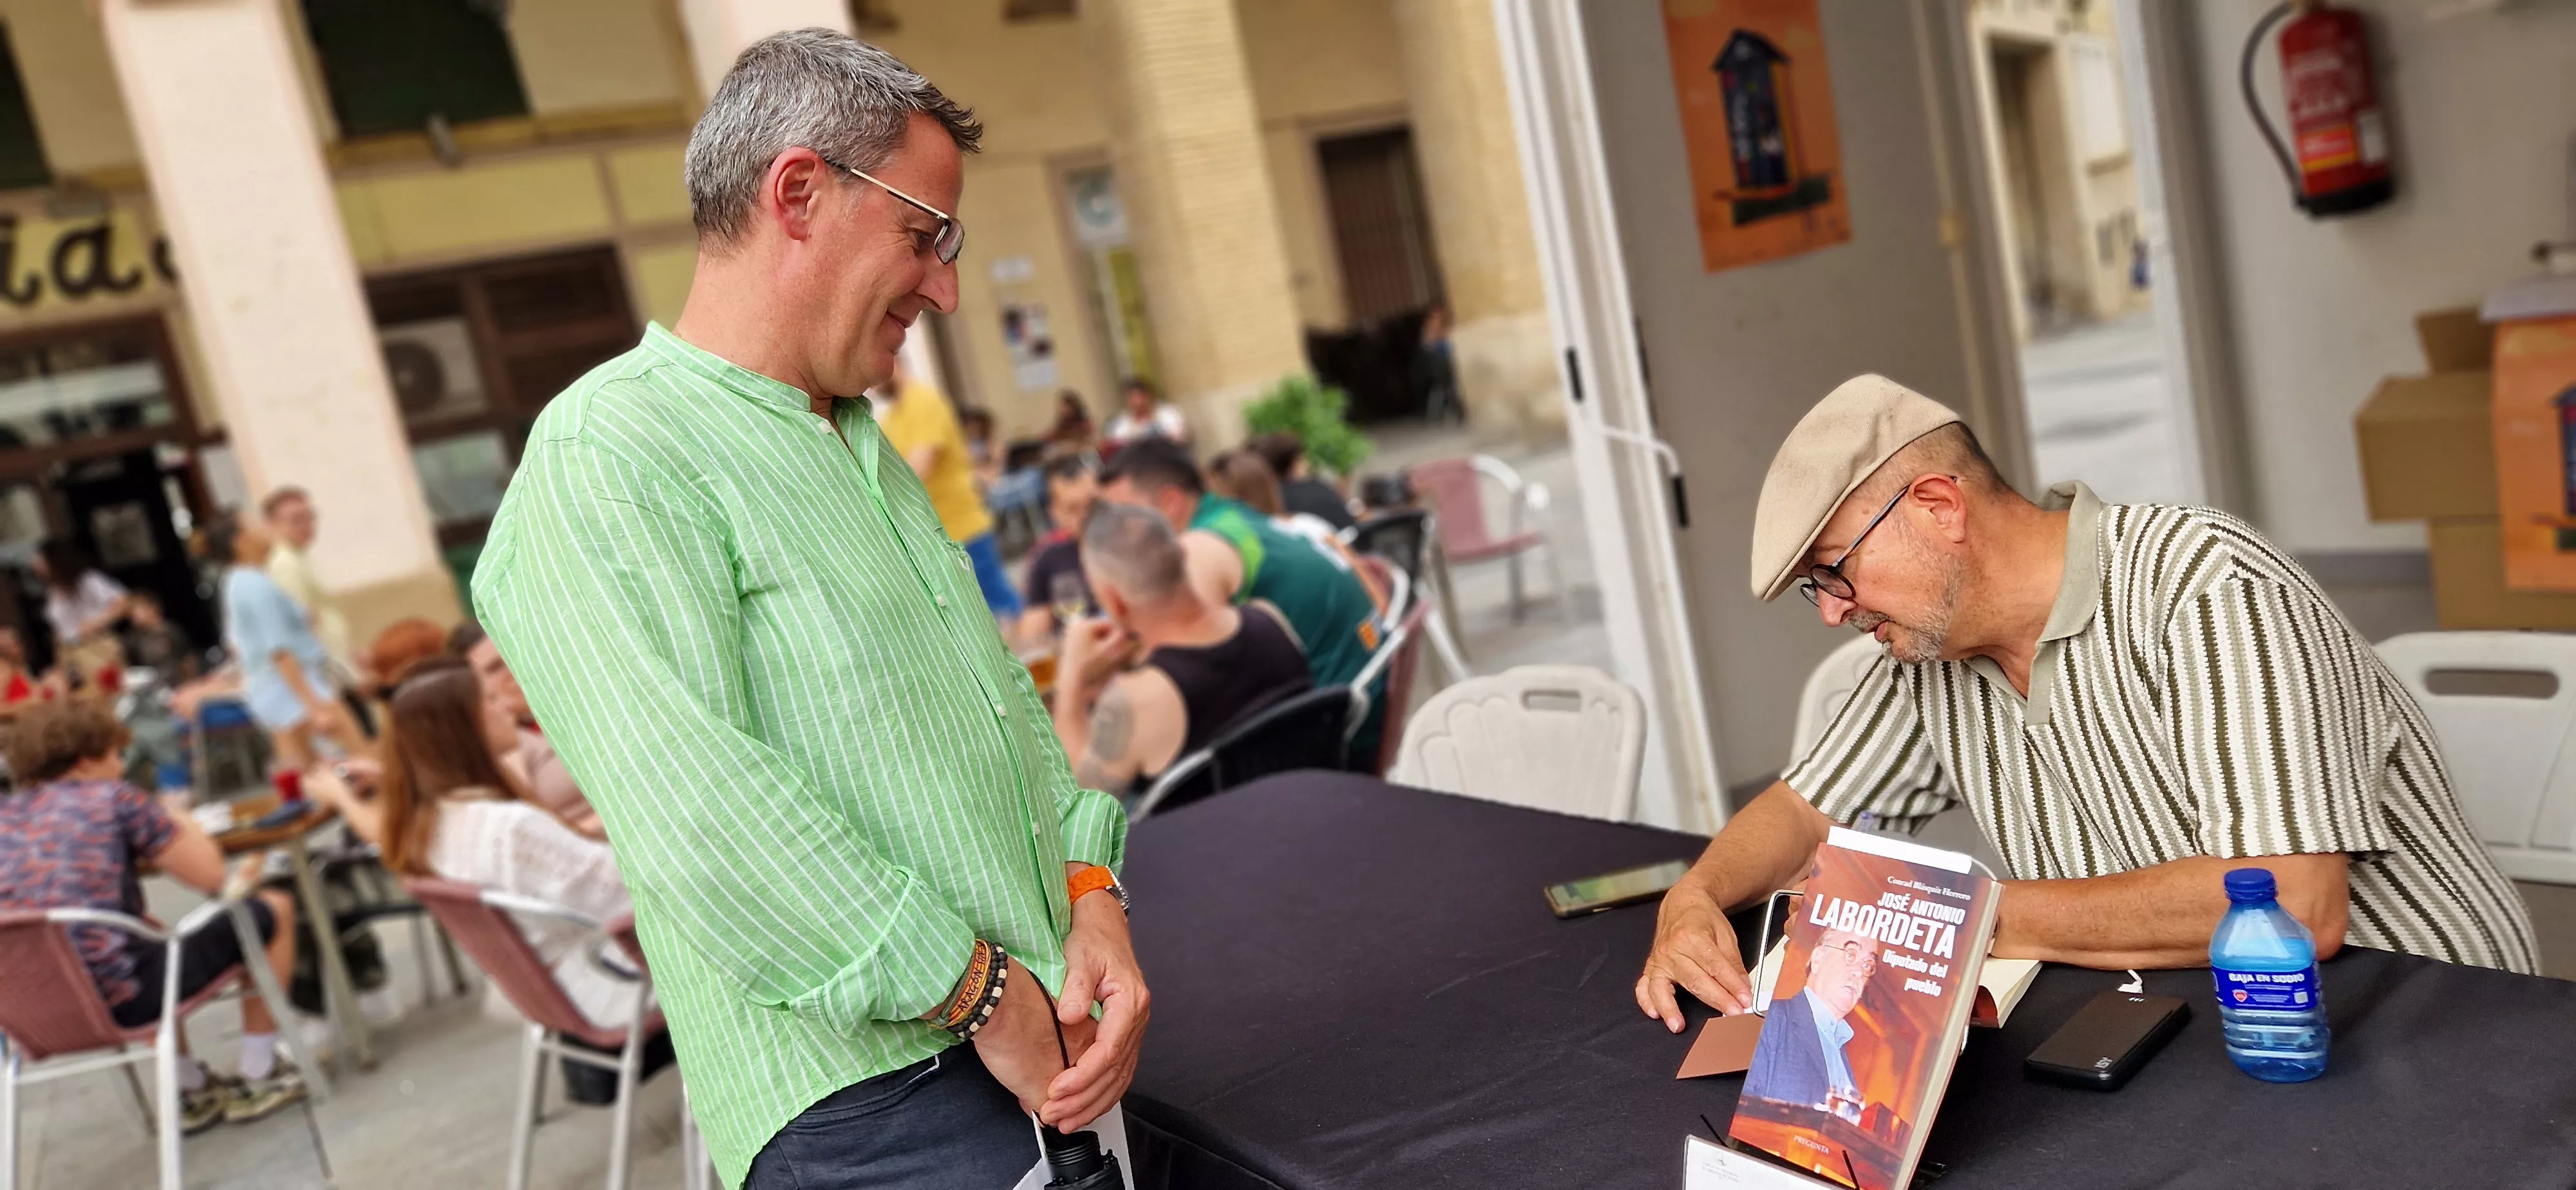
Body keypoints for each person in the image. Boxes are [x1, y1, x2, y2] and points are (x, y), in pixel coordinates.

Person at [469, 32, 1145, 1189]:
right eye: (926, 236)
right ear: (799, 192)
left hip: (1012, 1049)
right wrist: (979, 987)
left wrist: (1095, 895)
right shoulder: (610, 448)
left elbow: (1002, 718)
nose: (945, 284)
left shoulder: (848, 436)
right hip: (869, 1104)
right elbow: (701, 812)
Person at [1635, 375, 2539, 1035]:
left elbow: (2298, 906)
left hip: (2435, 1013)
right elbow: (1801, 808)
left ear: (1940, 505)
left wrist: (1966, 918)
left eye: (1836, 570)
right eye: (1814, 590)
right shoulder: (1930, 657)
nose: (1834, 611)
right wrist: (1695, 897)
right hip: (2184, 1023)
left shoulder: (2204, 588)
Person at [309, 662, 656, 1102]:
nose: (505, 704)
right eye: (490, 699)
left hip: (564, 993)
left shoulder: (436, 825)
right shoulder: (507, 827)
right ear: (465, 727)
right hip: (619, 985)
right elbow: (634, 899)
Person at [0, 699, 306, 1129]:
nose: (122, 766)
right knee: (274, 907)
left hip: (34, 1017)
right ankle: (261, 1073)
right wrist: (181, 820)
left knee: (144, 933)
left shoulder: (6, 815)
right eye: (115, 754)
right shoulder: (114, 797)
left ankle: (190, 1090)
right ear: (87, 761)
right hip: (124, 1001)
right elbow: (211, 876)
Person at [1052, 502, 1311, 795]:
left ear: (1114, 601)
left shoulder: (1138, 700)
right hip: (1308, 808)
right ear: (1183, 557)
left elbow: (1079, 803)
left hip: (1220, 836)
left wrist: (1071, 674)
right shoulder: (1271, 618)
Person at [208, 513, 363, 769]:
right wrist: (314, 706)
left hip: (278, 689)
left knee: (314, 776)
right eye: (256, 523)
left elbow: (239, 641)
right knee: (360, 759)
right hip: (293, 689)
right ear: (241, 541)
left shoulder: (238, 580)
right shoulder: (254, 584)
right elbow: (279, 649)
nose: (266, 527)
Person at [872, 366, 1024, 618]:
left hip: (963, 528)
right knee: (974, 616)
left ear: (895, 363)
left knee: (999, 604)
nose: (870, 388)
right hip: (936, 535)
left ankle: (1036, 652)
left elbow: (921, 465)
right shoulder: (893, 416)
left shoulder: (923, 401)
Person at [450, 619, 601, 838]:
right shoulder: (500, 747)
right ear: (473, 687)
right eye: (494, 668)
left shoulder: (577, 701)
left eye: (512, 655)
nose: (511, 669)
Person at [1741, 929, 1874, 1120]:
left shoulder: (1843, 1051)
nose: (1859, 972)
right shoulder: (1772, 1019)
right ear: (1818, 958)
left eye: (1868, 965)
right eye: (1851, 955)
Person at [260, 487, 354, 674]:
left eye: (309, 517)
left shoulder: (300, 556)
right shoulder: (284, 563)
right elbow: (303, 621)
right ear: (273, 524)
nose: (306, 525)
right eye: (296, 520)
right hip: (323, 666)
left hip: (336, 659)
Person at [1016, 455, 1100, 641]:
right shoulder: (1048, 557)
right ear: (1055, 513)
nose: (1085, 516)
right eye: (1073, 509)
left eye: (1092, 505)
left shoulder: (1130, 542)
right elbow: (1033, 636)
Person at [35, 540, 129, 658]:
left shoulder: (88, 580)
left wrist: (98, 621)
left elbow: (123, 602)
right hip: (71, 652)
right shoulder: (51, 594)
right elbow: (57, 632)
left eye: (42, 561)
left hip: (99, 645)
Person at [1248, 431, 1358, 533]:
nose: (1308, 464)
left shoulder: (1266, 499)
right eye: (1304, 459)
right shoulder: (1317, 489)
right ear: (1294, 463)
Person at [120, 590, 201, 681]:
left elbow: (188, 658)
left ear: (152, 608)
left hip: (178, 682)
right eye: (131, 615)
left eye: (137, 612)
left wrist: (191, 681)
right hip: (153, 685)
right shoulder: (134, 639)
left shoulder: (170, 630)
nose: (134, 618)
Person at [1412, 303, 1463, 424]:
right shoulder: (1429, 330)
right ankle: (1451, 411)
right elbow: (1429, 346)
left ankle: (1454, 411)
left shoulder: (1445, 328)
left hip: (1449, 364)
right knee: (1448, 387)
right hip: (1439, 368)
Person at [1102, 377, 1187, 448]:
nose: (1135, 402)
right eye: (1131, 397)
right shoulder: (1121, 423)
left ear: (1148, 396)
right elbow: (1116, 444)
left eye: (1138, 396)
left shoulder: (1168, 414)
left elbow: (1179, 438)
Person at [1048, 389, 1096, 454]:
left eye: (1066, 407)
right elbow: (1051, 437)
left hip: (1082, 456)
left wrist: (1069, 447)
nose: (1063, 410)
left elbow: (1091, 443)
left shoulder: (1085, 424)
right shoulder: (1063, 424)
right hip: (1065, 458)